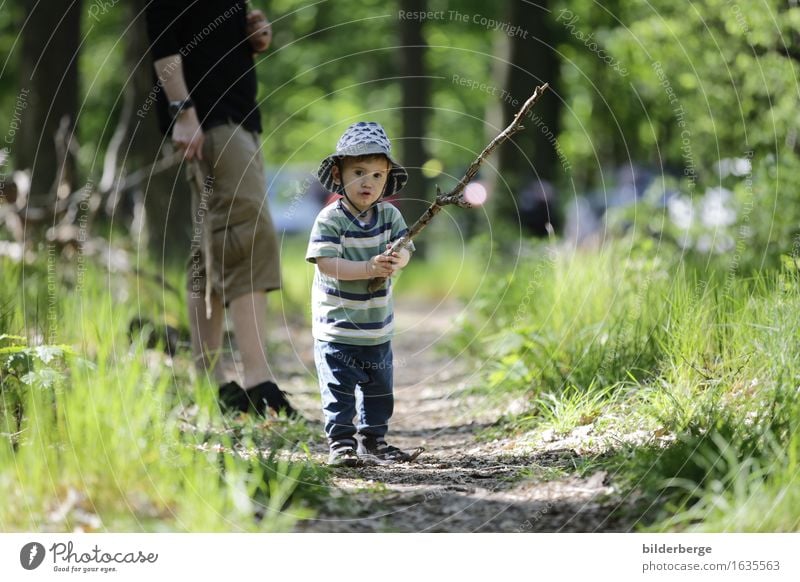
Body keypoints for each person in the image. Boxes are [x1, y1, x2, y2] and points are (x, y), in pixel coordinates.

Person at [145, 1, 296, 417]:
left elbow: (213, 38)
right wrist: (183, 111)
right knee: (248, 234)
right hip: (211, 119)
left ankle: (210, 384)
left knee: (208, 249)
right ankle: (258, 383)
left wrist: (253, 32)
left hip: (237, 115)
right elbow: (164, 38)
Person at [306, 122, 423, 466]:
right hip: (337, 327)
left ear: (387, 179)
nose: (368, 182)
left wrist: (396, 258)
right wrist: (370, 269)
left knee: (379, 389)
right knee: (339, 389)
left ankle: (374, 441)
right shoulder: (330, 219)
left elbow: (405, 249)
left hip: (376, 327)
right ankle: (341, 443)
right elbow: (326, 263)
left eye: (377, 175)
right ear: (339, 175)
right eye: (358, 172)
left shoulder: (389, 215)